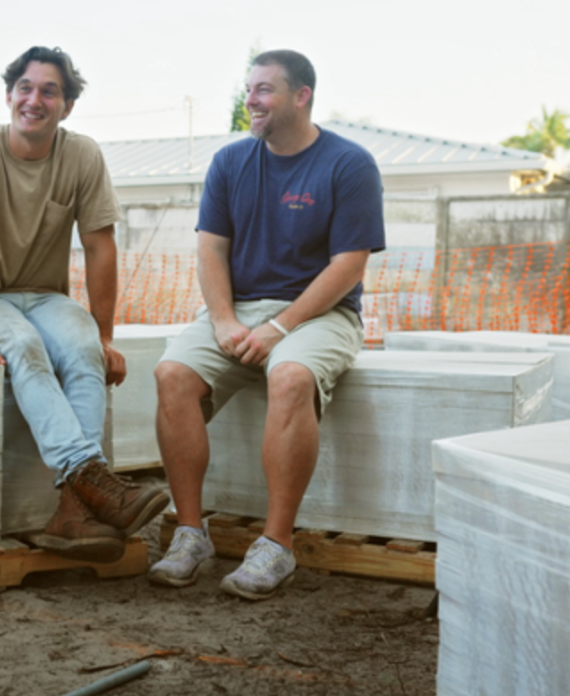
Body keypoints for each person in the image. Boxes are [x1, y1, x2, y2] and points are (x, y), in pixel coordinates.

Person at [147, 49, 385, 599]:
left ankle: (276, 546)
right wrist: (226, 320)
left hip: (320, 312)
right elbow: (211, 250)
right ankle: (190, 534)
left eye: (263, 90)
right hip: (239, 307)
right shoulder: (231, 163)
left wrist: (278, 329)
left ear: (301, 96)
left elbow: (349, 265)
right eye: (248, 89)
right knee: (171, 375)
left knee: (290, 378)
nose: (250, 100)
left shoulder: (348, 164)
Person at [0, 46, 169, 563]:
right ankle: (92, 476)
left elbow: (101, 247)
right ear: (9, 95)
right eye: (25, 87)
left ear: (67, 106)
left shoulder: (81, 155)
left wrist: (104, 337)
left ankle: (71, 512)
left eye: (49, 91)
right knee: (23, 345)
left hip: (45, 296)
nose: (34, 99)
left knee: (82, 347)